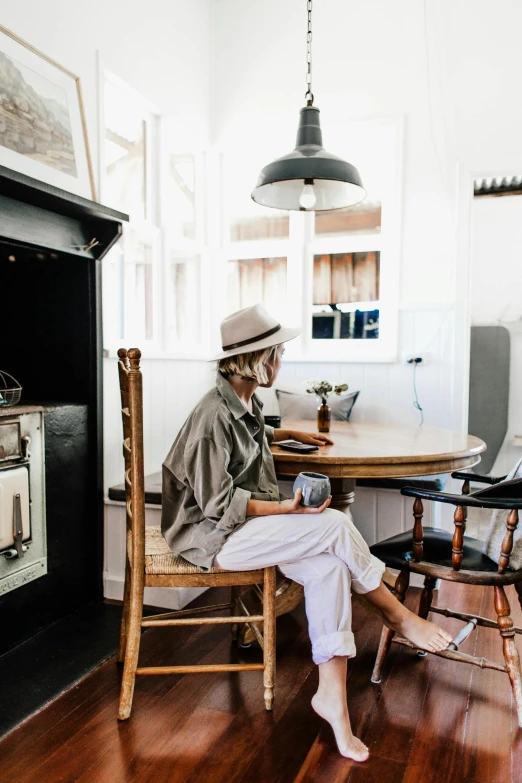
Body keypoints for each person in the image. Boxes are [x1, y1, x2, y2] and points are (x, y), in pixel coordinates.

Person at [162, 303, 452, 762]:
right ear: (257, 359)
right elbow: (219, 505)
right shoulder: (210, 418)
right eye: (278, 353)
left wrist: (288, 437)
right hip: (212, 538)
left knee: (329, 568)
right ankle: (396, 614)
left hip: (247, 527)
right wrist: (287, 507)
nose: (281, 362)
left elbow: (253, 435)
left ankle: (331, 700)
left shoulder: (242, 398)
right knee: (334, 521)